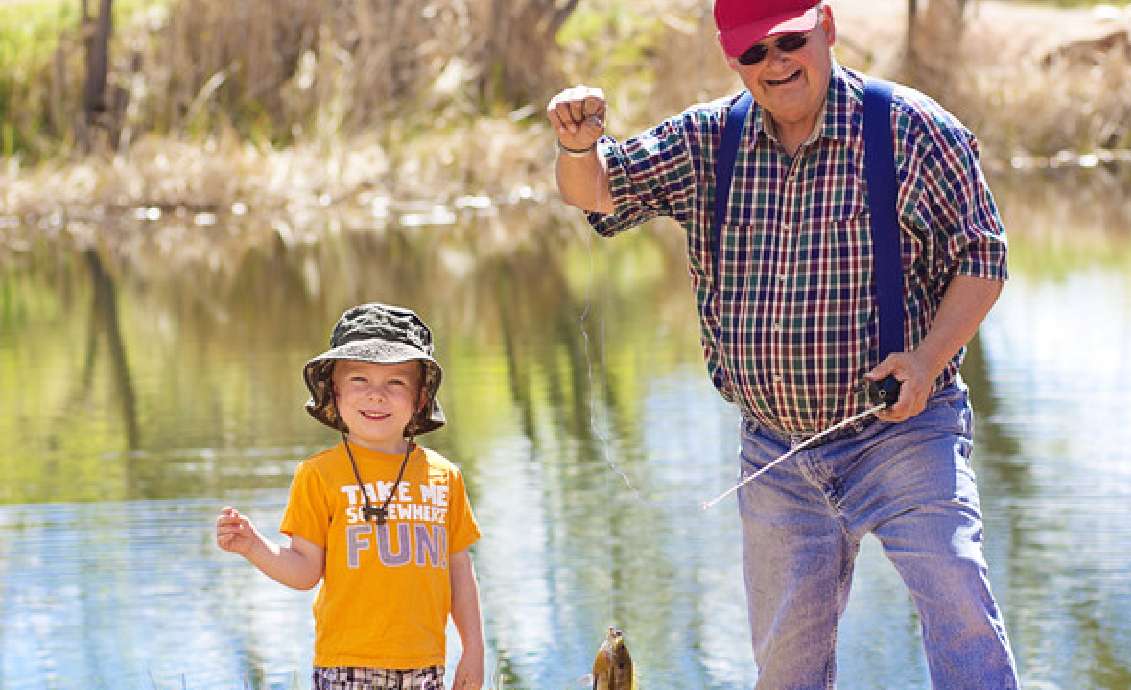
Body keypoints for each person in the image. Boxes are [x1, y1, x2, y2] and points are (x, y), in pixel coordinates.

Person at [547, 0, 1019, 688]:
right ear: (731, 58)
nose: (776, 63)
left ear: (825, 28)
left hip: (905, 435)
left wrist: (926, 360)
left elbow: (984, 256)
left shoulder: (911, 129)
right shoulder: (709, 139)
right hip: (773, 453)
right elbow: (597, 192)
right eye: (753, 53)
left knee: (958, 598)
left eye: (790, 41)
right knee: (786, 664)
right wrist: (576, 146)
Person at [216, 303, 484, 690]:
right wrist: (254, 547)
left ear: (420, 398)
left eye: (396, 382)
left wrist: (473, 650)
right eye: (359, 379)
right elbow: (306, 570)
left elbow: (460, 572)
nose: (376, 395)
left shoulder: (444, 477)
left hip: (426, 665)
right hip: (346, 665)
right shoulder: (319, 475)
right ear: (335, 392)